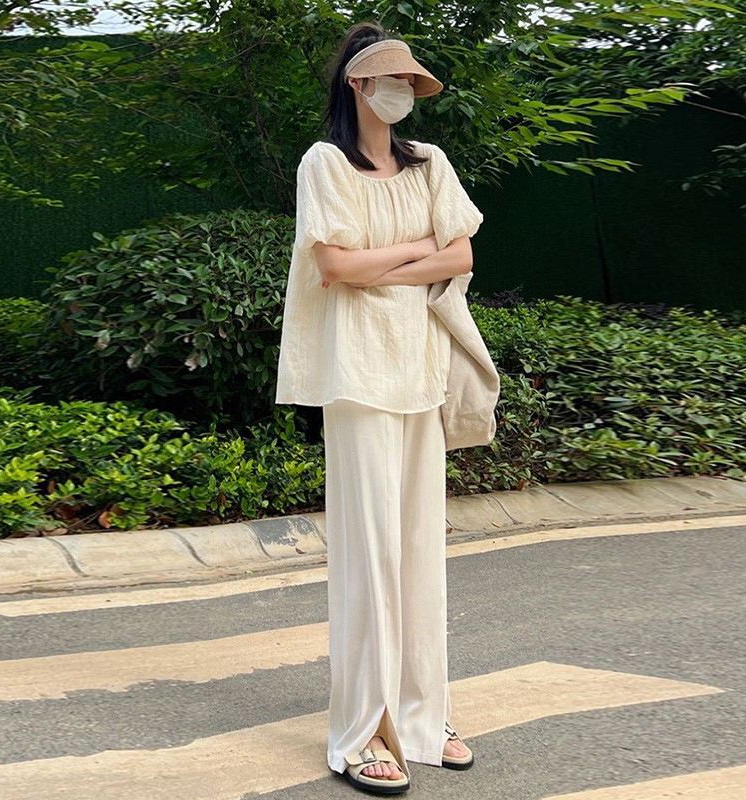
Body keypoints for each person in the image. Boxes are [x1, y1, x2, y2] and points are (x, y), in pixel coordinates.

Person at [275, 21, 483, 795]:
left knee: (420, 552)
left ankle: (424, 720)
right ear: (358, 85)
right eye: (393, 81)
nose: (404, 94)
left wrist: (379, 265)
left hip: (421, 372)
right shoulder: (325, 163)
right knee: (368, 558)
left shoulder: (431, 163)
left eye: (412, 84)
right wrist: (414, 252)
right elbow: (334, 265)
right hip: (357, 376)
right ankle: (362, 732)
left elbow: (462, 254)